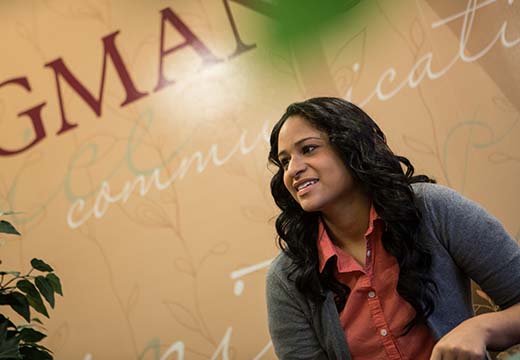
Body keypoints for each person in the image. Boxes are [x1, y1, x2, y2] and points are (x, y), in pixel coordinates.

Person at [266, 97, 520, 360]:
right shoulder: (286, 279)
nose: (293, 169)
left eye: (308, 149)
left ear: (351, 145)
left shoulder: (433, 209)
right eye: (284, 162)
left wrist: (480, 328)